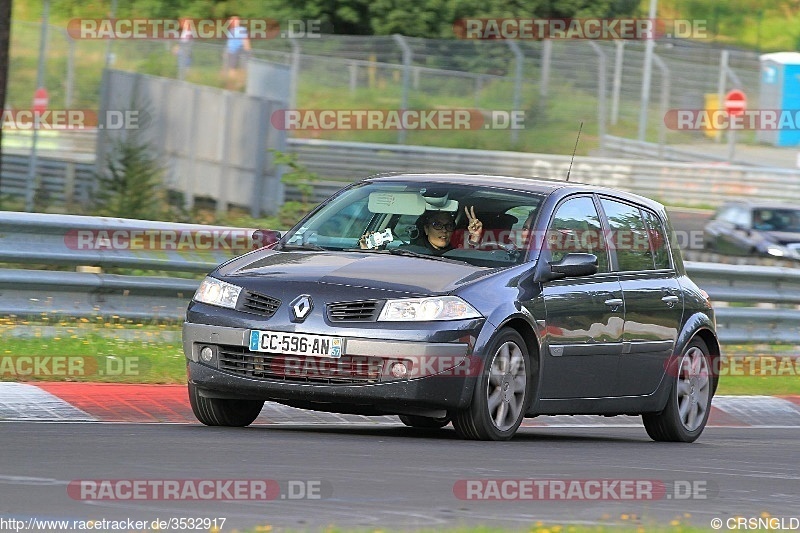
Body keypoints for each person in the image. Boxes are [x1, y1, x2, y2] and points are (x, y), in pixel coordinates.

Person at [360, 207, 483, 255]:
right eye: (437, 225)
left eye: (449, 226)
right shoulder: (404, 254)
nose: (444, 230)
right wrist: (367, 252)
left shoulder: (455, 256)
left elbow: (469, 260)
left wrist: (475, 238)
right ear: (426, 229)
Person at [223, 16, 251, 89]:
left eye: (232, 21)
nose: (230, 22)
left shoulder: (241, 29)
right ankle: (231, 83)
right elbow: (230, 42)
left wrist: (248, 51)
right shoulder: (231, 30)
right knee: (232, 68)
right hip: (231, 51)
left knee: (242, 68)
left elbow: (245, 40)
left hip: (239, 51)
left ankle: (240, 84)